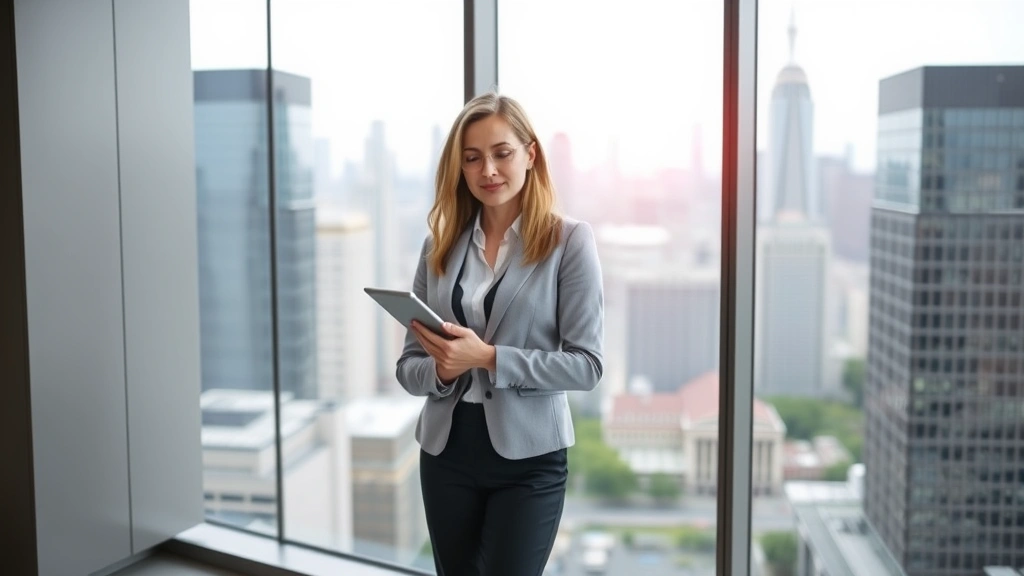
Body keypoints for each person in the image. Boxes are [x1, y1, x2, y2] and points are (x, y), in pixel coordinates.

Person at [395, 92, 604, 576]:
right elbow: (408, 368)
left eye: (501, 153)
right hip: (446, 452)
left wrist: (487, 357)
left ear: (531, 155)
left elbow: (587, 365)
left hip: (529, 459)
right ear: (460, 169)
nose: (487, 169)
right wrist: (444, 373)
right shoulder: (439, 245)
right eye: (472, 158)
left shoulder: (569, 241)